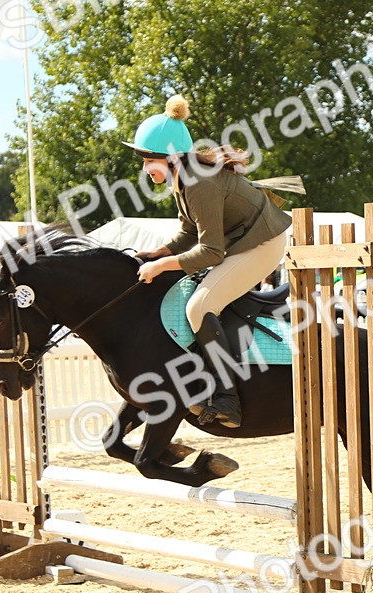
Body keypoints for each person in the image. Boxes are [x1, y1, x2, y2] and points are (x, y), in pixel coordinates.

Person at [128, 95, 291, 428]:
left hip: (262, 244)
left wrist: (160, 267)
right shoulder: (183, 178)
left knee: (199, 307)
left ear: (169, 157)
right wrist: (159, 252)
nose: (145, 168)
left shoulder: (197, 182)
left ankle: (227, 398)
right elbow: (189, 232)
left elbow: (211, 252)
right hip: (242, 241)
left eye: (148, 160)